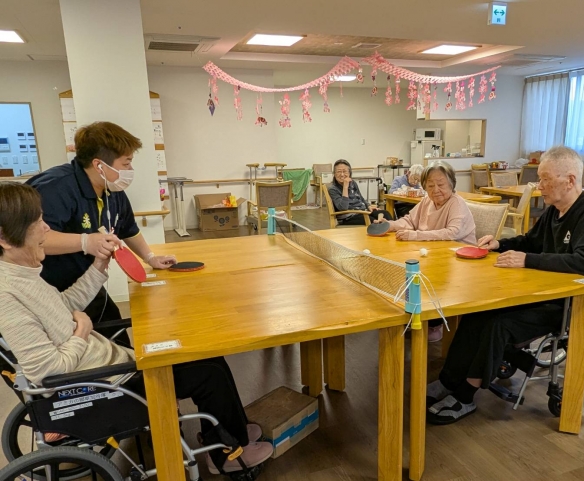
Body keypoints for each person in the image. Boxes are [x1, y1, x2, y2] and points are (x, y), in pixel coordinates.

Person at [0, 182, 272, 474]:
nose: (46, 228)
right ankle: (226, 457)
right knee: (209, 373)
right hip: (105, 384)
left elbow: (63, 305)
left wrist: (98, 266)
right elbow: (46, 372)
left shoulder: (24, 274)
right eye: (37, 222)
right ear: (4, 238)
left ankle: (229, 432)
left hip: (111, 367)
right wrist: (82, 331)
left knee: (209, 357)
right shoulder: (8, 295)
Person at [426, 146, 584, 425]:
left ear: (570, 180)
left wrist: (527, 260)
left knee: (498, 324)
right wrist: (499, 244)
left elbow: (583, 261)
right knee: (477, 312)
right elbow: (529, 241)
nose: (539, 185)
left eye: (545, 179)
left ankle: (465, 395)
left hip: (575, 302)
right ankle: (449, 380)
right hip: (544, 291)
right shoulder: (554, 212)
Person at [27, 122, 177, 328]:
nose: (130, 170)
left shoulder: (111, 189)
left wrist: (150, 258)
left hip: (87, 281)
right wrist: (86, 242)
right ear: (99, 165)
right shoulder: (55, 189)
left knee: (116, 330)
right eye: (126, 164)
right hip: (49, 289)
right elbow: (31, 240)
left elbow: (128, 229)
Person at [379, 160, 476, 342]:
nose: (435, 189)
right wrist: (390, 225)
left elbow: (452, 233)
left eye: (441, 184)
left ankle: (435, 322)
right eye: (430, 185)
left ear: (452, 184)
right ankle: (415, 314)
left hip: (459, 261)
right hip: (434, 255)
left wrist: (415, 235)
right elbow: (410, 220)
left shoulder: (456, 203)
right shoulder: (427, 201)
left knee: (430, 278)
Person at [327, 159, 392, 225]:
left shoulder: (352, 183)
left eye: (345, 171)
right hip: (348, 217)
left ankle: (392, 229)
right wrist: (345, 187)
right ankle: (381, 229)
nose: (342, 174)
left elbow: (360, 197)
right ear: (334, 174)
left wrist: (368, 206)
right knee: (373, 220)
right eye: (339, 172)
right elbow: (343, 208)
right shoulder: (333, 189)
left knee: (385, 214)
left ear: (349, 173)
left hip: (362, 212)